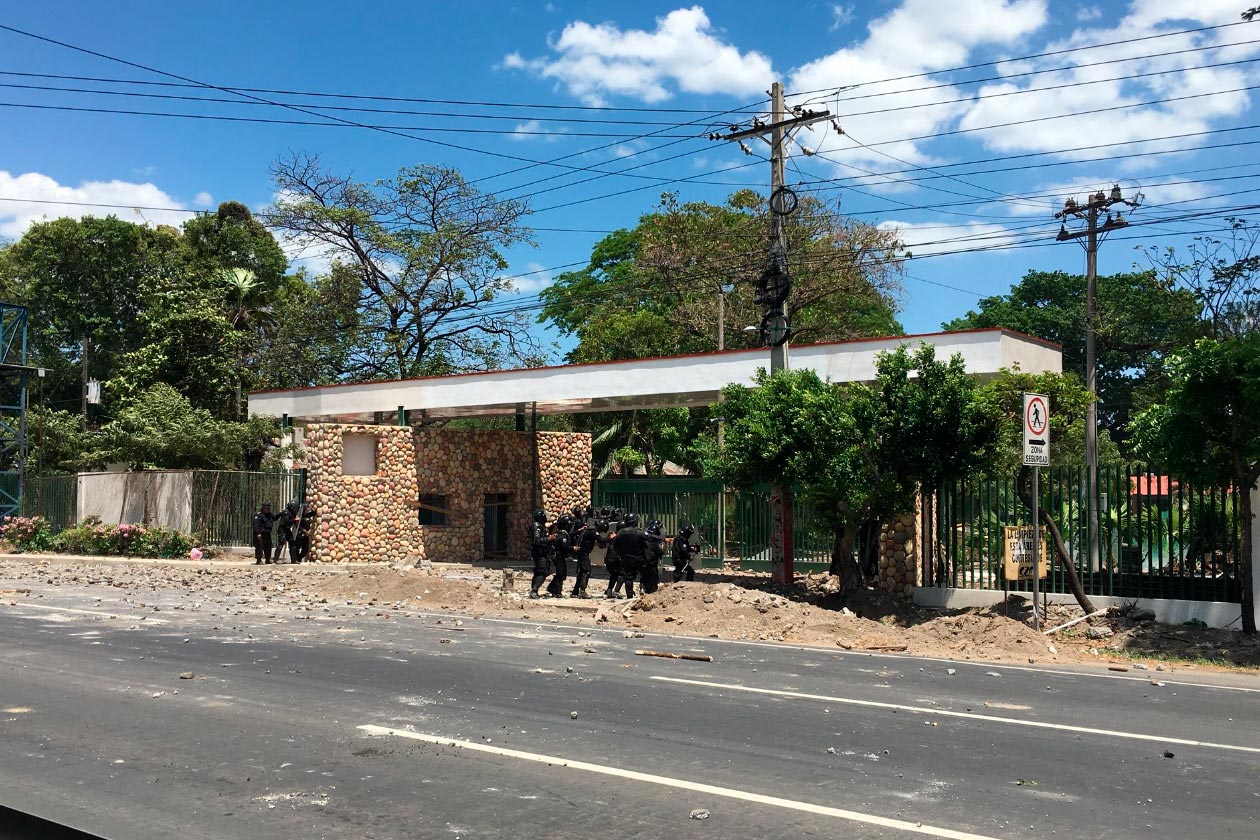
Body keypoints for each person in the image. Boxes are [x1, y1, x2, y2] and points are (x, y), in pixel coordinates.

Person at [612, 513, 649, 598]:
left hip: (626, 558)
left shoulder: (621, 532)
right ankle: (642, 589)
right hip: (639, 558)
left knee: (629, 577)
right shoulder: (639, 532)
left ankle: (629, 595)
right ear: (634, 522)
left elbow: (615, 545)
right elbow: (648, 541)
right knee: (644, 573)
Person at [569, 515, 598, 598]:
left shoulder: (585, 531)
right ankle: (582, 591)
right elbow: (600, 539)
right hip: (583, 553)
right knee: (586, 571)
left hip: (581, 553)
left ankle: (575, 591)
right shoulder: (590, 532)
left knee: (582, 572)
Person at [546, 514, 574, 597]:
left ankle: (553, 589)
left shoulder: (564, 533)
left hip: (560, 557)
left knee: (562, 574)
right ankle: (556, 591)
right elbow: (564, 547)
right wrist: (572, 548)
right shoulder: (561, 535)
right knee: (561, 574)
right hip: (558, 557)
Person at [600, 510, 625, 598]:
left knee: (614, 575)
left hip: (608, 558)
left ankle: (609, 590)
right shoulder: (621, 537)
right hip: (615, 558)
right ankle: (616, 591)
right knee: (622, 574)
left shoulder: (612, 534)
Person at [529, 509, 552, 600]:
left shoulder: (541, 526)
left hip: (543, 552)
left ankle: (535, 590)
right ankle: (534, 590)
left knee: (542, 571)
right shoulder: (537, 526)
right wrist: (548, 539)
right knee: (542, 570)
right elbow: (537, 540)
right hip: (539, 552)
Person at [642, 519, 665, 594]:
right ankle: (652, 590)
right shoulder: (657, 541)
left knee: (644, 574)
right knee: (653, 575)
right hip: (652, 561)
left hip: (643, 560)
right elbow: (660, 551)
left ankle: (643, 588)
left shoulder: (643, 538)